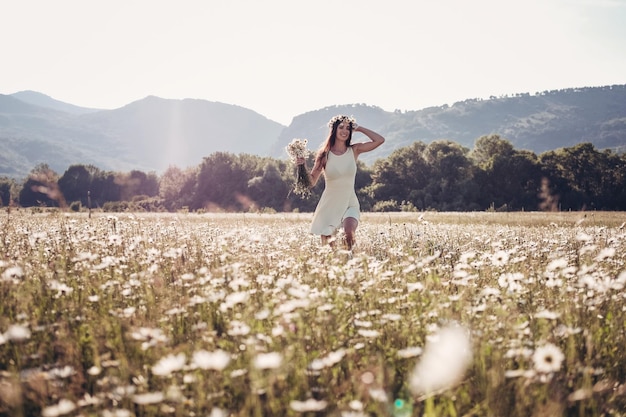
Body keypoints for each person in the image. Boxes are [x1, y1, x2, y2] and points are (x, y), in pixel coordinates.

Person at [297, 115, 385, 250]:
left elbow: (380, 140)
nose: (345, 131)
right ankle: (338, 267)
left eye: (348, 128)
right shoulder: (324, 155)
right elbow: (311, 182)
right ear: (334, 130)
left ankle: (351, 262)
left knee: (348, 233)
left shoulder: (354, 150)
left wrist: (359, 128)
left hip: (350, 202)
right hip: (330, 206)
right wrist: (302, 166)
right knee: (329, 250)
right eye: (341, 127)